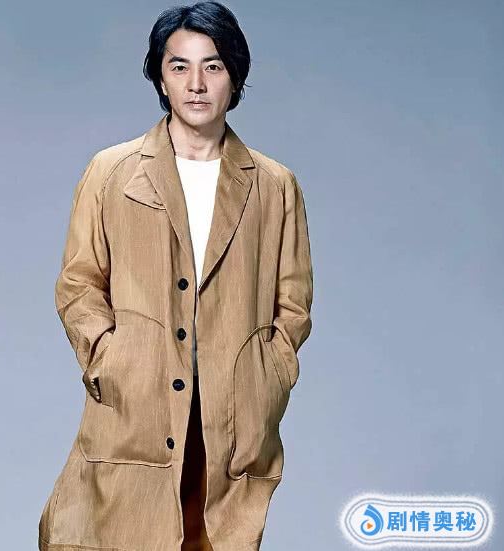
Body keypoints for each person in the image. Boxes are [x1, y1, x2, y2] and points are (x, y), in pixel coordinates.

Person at [39, 2, 314, 550]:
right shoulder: (111, 172)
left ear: (235, 75)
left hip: (230, 417)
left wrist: (269, 376)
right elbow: (79, 283)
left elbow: (294, 302)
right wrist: (112, 359)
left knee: (213, 538)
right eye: (179, 66)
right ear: (160, 77)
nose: (196, 84)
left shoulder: (274, 185)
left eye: (213, 66)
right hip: (136, 406)